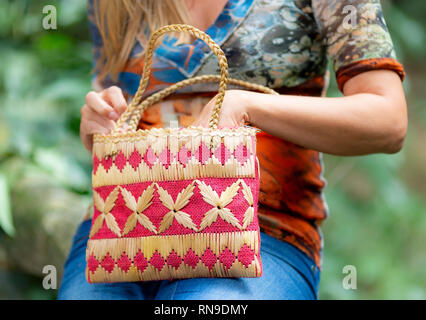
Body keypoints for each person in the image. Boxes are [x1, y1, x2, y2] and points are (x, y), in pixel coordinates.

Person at [58, 0, 407, 300]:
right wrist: (99, 127)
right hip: (127, 223)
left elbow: (387, 120)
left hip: (262, 227)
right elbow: (123, 109)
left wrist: (246, 106)